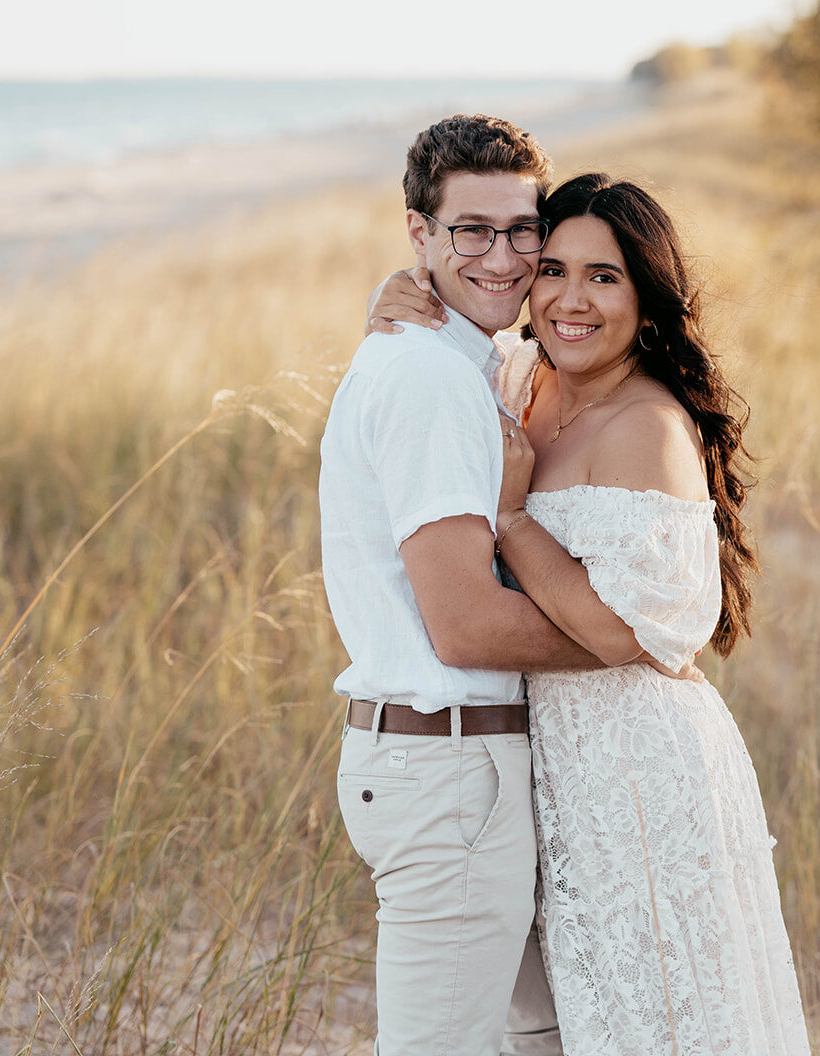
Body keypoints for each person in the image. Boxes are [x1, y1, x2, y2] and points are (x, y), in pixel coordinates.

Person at [368, 173, 810, 1054]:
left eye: (604, 277)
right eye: (555, 268)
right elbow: (451, 314)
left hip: (642, 772)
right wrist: (394, 293)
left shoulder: (645, 424)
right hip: (559, 765)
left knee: (657, 1017)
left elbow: (624, 633)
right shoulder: (528, 376)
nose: (571, 300)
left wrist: (513, 517)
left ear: (646, 297)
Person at [322, 114, 618, 1056]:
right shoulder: (430, 380)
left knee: (541, 1037)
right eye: (470, 232)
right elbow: (463, 626)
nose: (502, 257)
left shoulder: (471, 362)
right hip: (449, 771)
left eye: (522, 231)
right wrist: (632, 640)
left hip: (460, 770)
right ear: (420, 235)